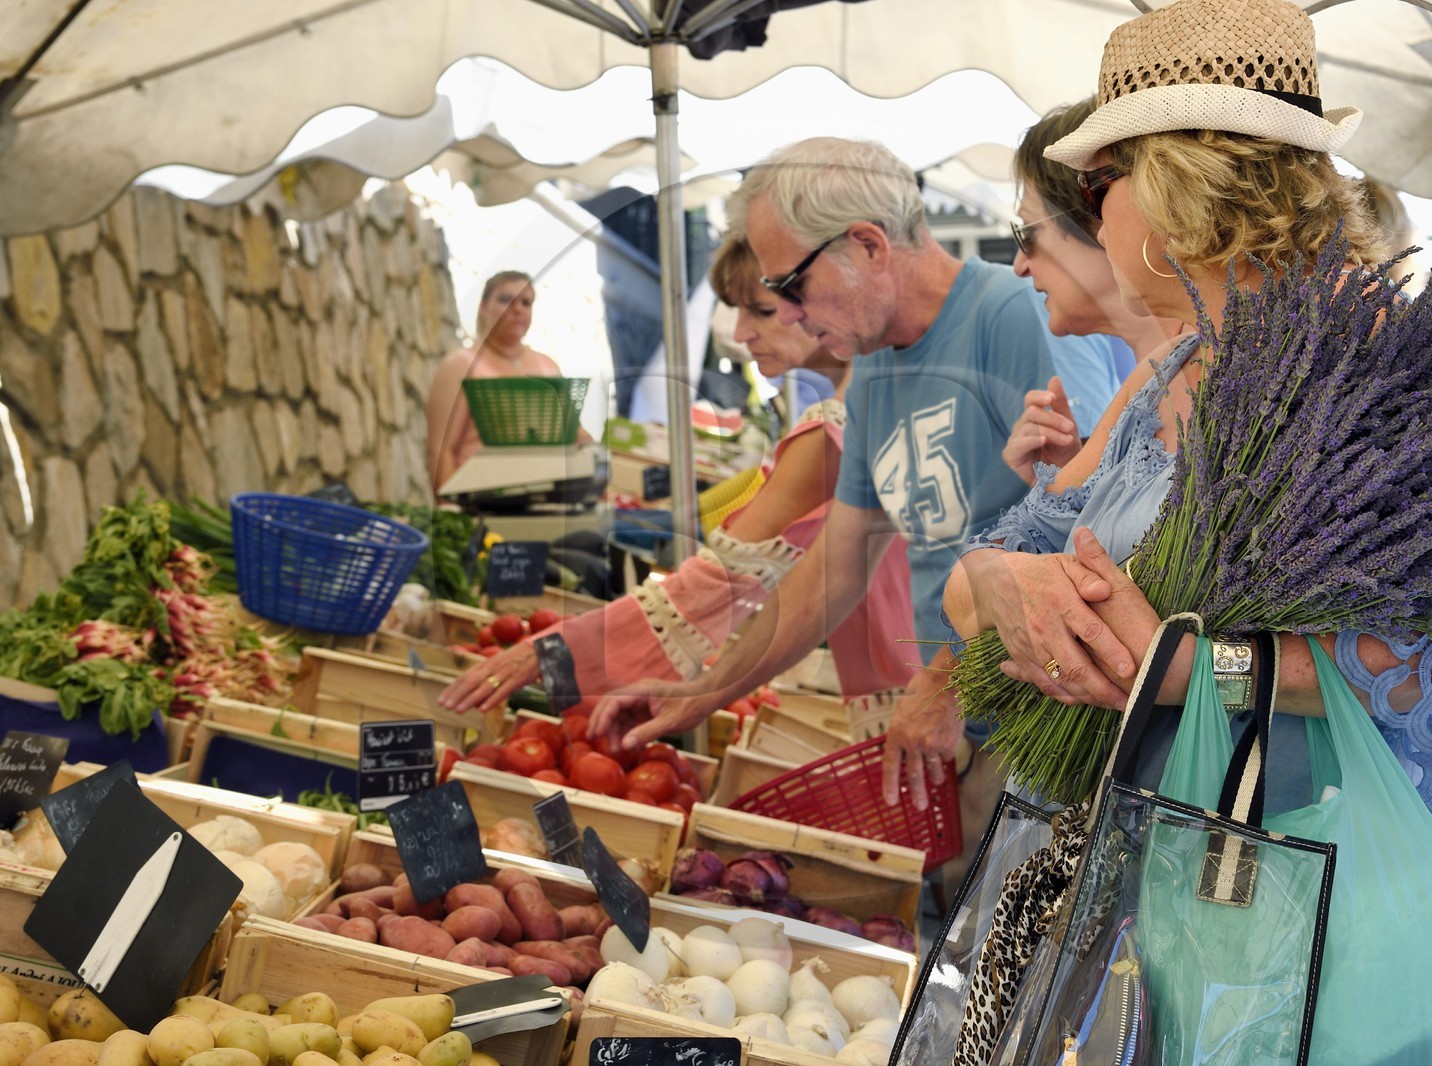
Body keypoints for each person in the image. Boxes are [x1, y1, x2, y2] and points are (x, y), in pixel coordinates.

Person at [944, 0, 1432, 821]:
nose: (1092, 217)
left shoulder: (1385, 368)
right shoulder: (1163, 369)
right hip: (1097, 860)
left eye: (1101, 182)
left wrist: (1196, 671)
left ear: (1178, 181)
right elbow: (979, 579)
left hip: (1257, 891)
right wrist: (1004, 583)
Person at [592, 136, 1129, 815]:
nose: (786, 315)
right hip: (967, 737)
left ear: (869, 247)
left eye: (790, 286)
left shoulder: (1012, 315)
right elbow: (831, 571)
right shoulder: (873, 363)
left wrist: (946, 680)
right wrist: (705, 686)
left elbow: (1089, 526)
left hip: (1048, 735)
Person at [438, 238, 916, 715]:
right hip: (912, 692)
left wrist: (554, 652)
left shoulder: (833, 430)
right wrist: (708, 690)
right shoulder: (879, 405)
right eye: (738, 310)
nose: (741, 332)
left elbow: (712, 589)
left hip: (913, 700)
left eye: (763, 311)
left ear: (826, 298)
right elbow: (806, 599)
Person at [1003, 100, 1187, 487]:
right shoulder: (1159, 378)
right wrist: (1073, 481)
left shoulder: (1203, 367)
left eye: (1028, 231)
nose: (1020, 265)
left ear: (1100, 216)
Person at [426, 271, 568, 494]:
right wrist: (452, 510)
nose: (517, 308)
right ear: (484, 306)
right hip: (483, 504)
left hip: (547, 501)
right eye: (505, 299)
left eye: (526, 302)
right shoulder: (460, 365)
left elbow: (572, 434)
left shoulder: (548, 367)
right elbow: (440, 449)